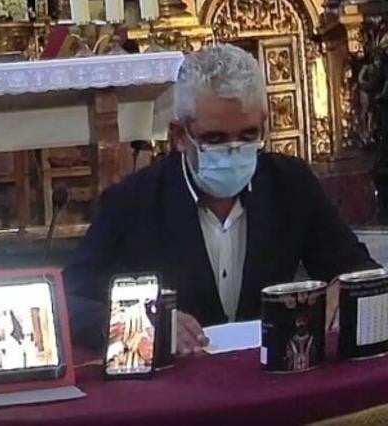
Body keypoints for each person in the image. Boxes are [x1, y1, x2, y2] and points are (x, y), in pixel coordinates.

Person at [63, 44, 379, 353]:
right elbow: (69, 298)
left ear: (263, 125)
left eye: (247, 135)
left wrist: (346, 289)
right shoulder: (132, 201)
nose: (233, 149)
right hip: (180, 383)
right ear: (179, 136)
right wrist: (140, 322)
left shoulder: (290, 183)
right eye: (215, 138)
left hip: (267, 371)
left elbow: (358, 268)